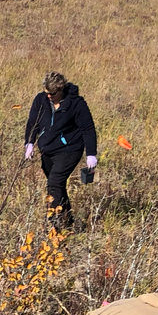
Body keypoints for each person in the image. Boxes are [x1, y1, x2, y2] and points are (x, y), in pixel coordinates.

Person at [23, 72, 98, 229]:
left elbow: (88, 128)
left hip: (69, 149)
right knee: (57, 186)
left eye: (52, 93)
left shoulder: (76, 104)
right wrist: (29, 143)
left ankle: (54, 225)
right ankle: (69, 222)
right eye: (46, 93)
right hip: (47, 149)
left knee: (54, 182)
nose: (49, 96)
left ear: (61, 90)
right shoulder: (40, 100)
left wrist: (91, 154)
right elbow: (33, 123)